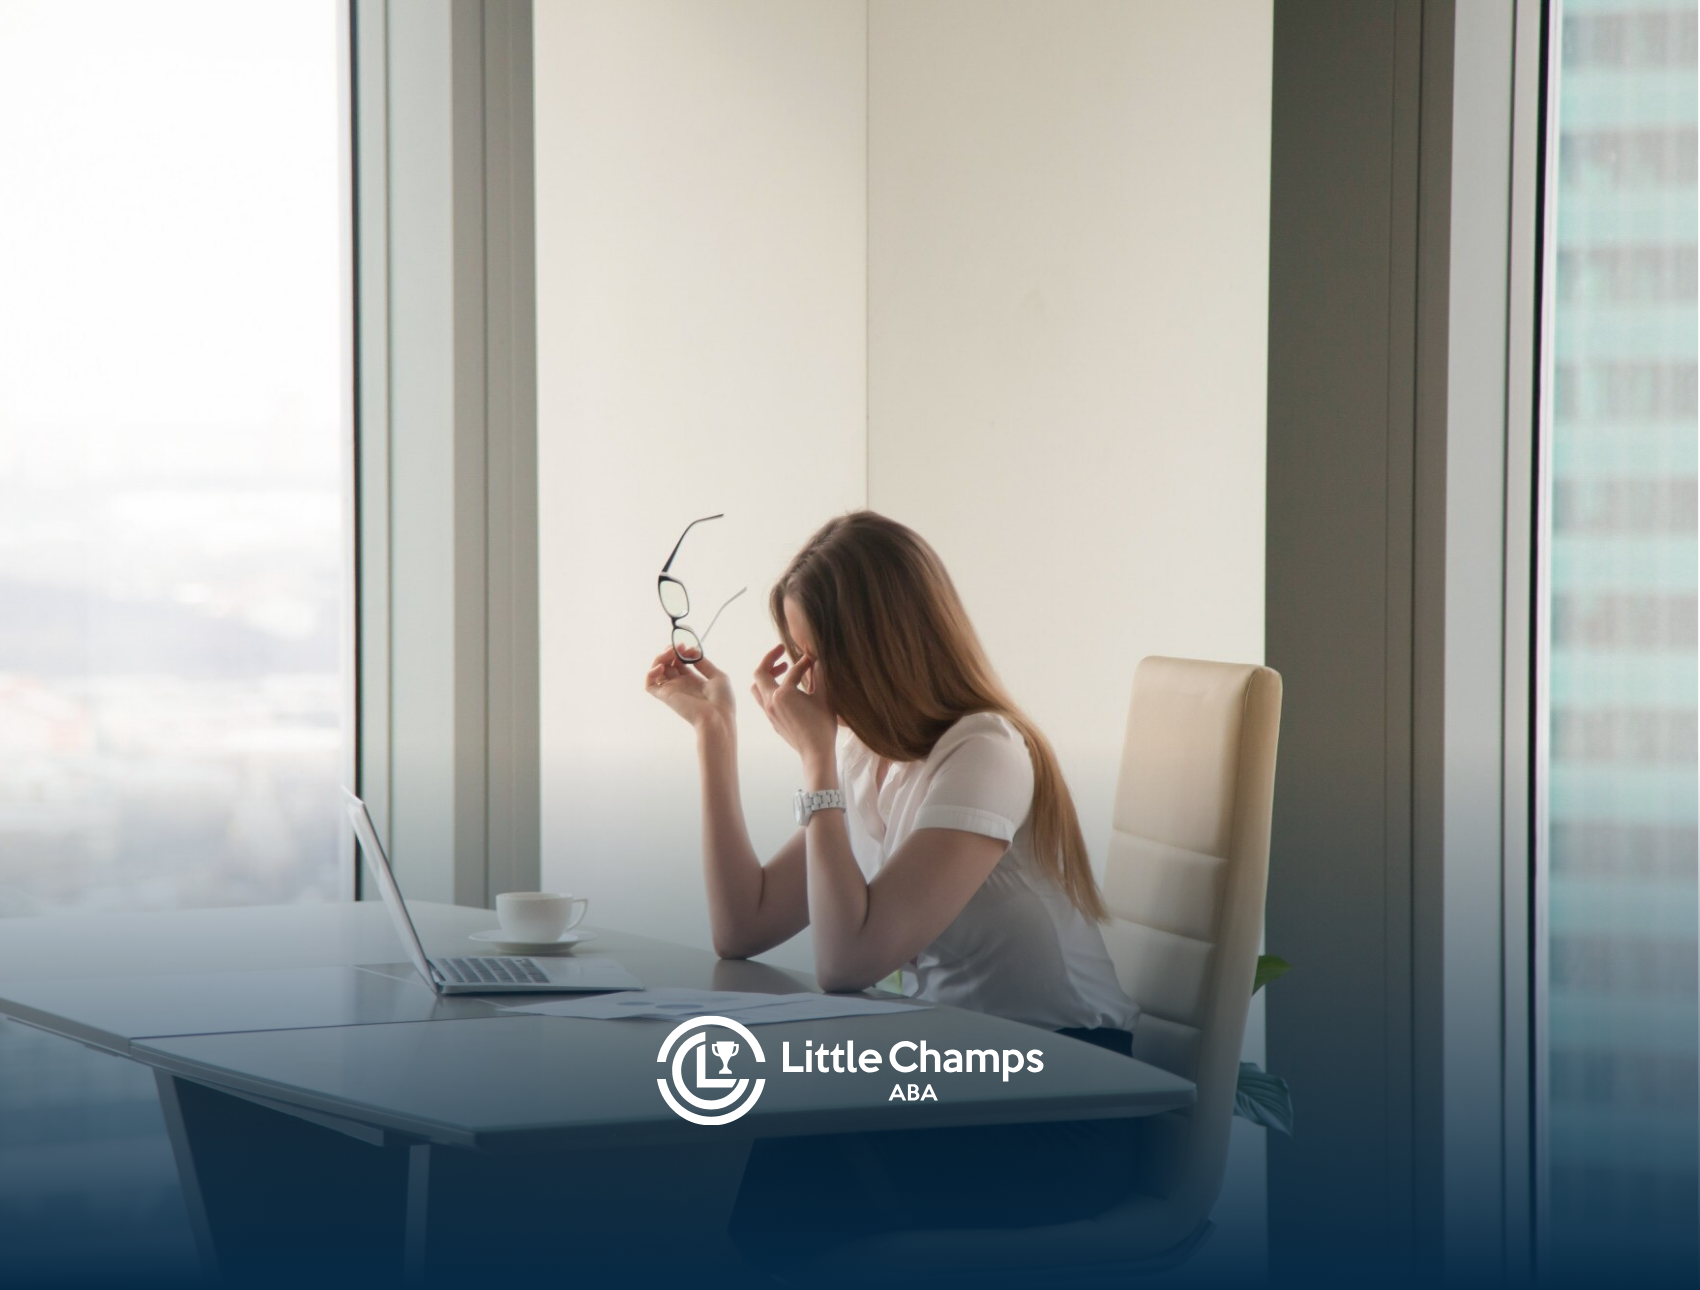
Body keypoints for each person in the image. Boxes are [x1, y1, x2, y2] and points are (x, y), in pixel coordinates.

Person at [644, 510, 1142, 1269]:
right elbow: (741, 927)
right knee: (743, 1143)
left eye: (814, 655)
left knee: (779, 1159)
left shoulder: (983, 750)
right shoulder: (873, 759)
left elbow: (848, 964)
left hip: (1065, 1100)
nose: (803, 680)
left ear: (878, 648)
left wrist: (815, 760)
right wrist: (715, 733)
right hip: (968, 1075)